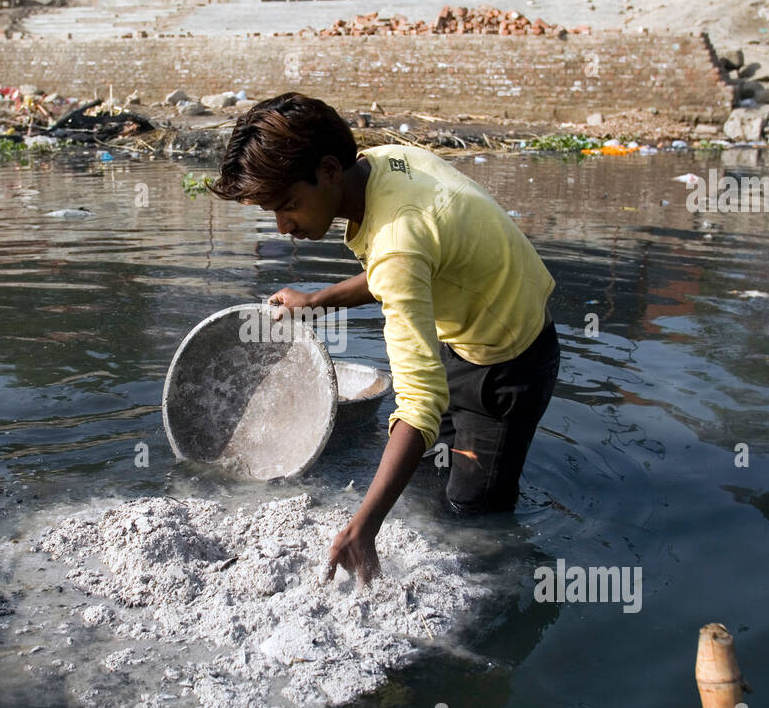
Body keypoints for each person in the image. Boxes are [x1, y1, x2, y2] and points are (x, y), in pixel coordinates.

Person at [209, 92, 559, 587]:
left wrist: (363, 527)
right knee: (423, 476)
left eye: (288, 205)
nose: (282, 227)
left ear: (329, 170)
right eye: (273, 211)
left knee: (472, 517)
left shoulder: (398, 238)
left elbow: (416, 396)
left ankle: (495, 603)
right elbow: (403, 266)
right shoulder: (378, 164)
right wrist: (316, 301)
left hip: (508, 362)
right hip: (463, 327)